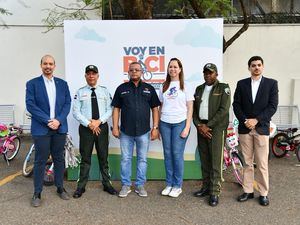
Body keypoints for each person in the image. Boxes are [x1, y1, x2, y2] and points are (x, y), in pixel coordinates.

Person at [25, 55, 71, 207]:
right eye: (45, 63)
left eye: (51, 64)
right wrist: (48, 121)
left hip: (59, 127)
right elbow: (31, 105)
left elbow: (67, 104)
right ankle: (37, 192)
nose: (48, 66)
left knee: (59, 159)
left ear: (54, 66)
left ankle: (60, 188)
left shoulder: (62, 84)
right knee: (40, 161)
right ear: (41, 65)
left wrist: (58, 120)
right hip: (41, 128)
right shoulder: (32, 84)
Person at [233, 56, 278, 206]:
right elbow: (236, 105)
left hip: (261, 128)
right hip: (245, 128)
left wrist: (257, 120)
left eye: (259, 65)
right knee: (247, 162)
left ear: (263, 67)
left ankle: (263, 193)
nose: (256, 67)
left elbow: (272, 106)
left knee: (262, 163)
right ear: (249, 68)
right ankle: (248, 191)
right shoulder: (241, 84)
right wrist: (245, 120)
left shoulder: (271, 84)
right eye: (253, 65)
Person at [111, 62, 160, 198]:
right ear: (128, 72)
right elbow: (116, 109)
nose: (134, 72)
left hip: (144, 131)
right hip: (126, 132)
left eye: (137, 70)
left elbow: (155, 109)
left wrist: (155, 128)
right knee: (125, 159)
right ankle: (126, 185)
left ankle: (139, 185)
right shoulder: (121, 88)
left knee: (142, 159)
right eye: (131, 70)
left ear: (141, 72)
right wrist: (115, 127)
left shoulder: (149, 89)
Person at [72, 65, 117, 198]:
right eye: (88, 74)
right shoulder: (80, 92)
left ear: (98, 76)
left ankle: (107, 184)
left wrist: (98, 122)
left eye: (94, 73)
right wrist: (89, 124)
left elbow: (110, 109)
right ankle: (81, 187)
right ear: (85, 76)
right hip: (86, 129)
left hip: (101, 128)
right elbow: (75, 111)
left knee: (104, 157)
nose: (91, 76)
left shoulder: (104, 91)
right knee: (85, 158)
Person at [192, 63, 231, 207]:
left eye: (211, 73)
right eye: (206, 73)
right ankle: (206, 187)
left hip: (216, 129)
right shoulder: (199, 89)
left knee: (215, 161)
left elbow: (224, 110)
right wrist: (199, 125)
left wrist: (208, 126)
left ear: (216, 74)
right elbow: (194, 111)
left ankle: (215, 192)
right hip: (202, 128)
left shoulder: (223, 88)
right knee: (205, 160)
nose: (208, 75)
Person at [159, 58, 194, 198]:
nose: (172, 69)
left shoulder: (186, 85)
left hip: (180, 123)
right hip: (165, 123)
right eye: (170, 67)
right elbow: (160, 106)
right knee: (167, 154)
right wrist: (158, 126)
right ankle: (169, 184)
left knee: (177, 154)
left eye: (175, 67)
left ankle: (177, 185)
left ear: (180, 69)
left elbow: (190, 107)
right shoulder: (164, 86)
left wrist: (187, 127)